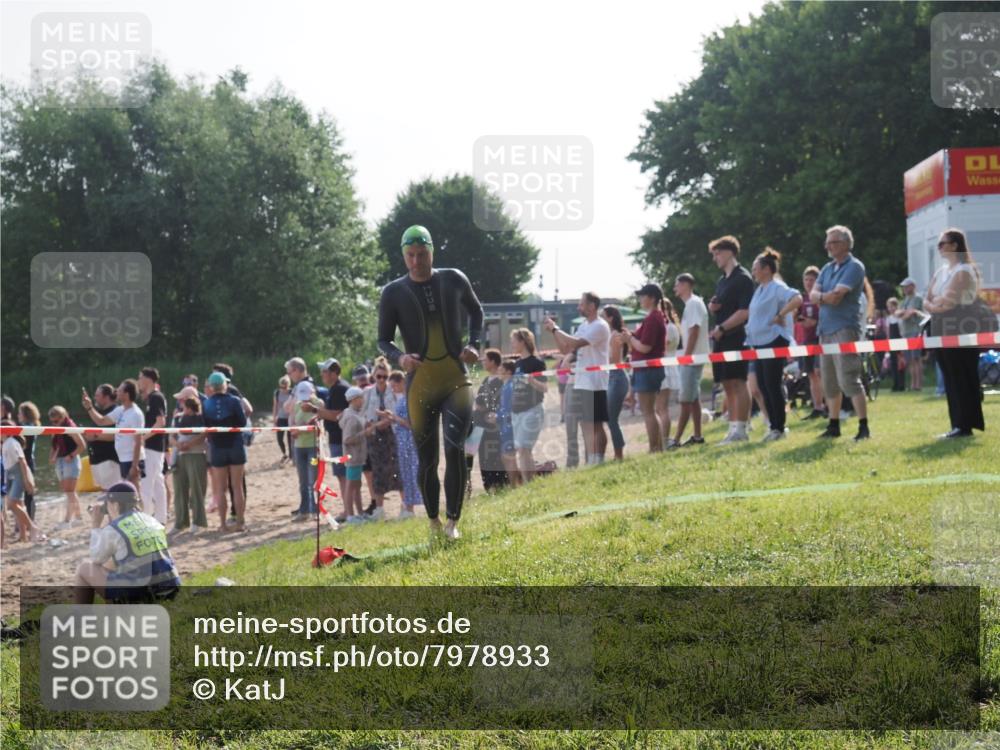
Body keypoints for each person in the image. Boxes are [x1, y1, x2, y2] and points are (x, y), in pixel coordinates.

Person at [377, 225, 484, 540]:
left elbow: (477, 312)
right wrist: (400, 359)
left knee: (455, 449)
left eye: (421, 254)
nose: (415, 261)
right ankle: (434, 521)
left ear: (431, 252)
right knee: (428, 459)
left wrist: (475, 345)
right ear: (403, 255)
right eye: (409, 255)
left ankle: (453, 522)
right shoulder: (393, 292)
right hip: (420, 384)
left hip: (455, 379)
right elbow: (384, 339)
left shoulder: (453, 278)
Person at [923, 228, 987, 438]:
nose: (939, 247)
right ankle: (957, 424)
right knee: (949, 374)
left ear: (955, 246)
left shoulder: (964, 270)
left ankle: (966, 425)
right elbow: (929, 298)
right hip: (941, 323)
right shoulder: (941, 272)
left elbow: (949, 301)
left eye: (943, 243)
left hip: (960, 323)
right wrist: (935, 305)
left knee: (961, 373)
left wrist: (936, 304)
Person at [74, 481, 180, 604]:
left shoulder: (115, 529)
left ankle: (79, 617)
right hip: (170, 589)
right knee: (112, 563)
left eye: (107, 504)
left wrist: (95, 525)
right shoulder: (152, 520)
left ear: (116, 505)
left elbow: (96, 558)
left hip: (144, 594)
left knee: (84, 568)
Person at [810, 225, 871, 441]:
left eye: (833, 242)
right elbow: (813, 294)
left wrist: (822, 297)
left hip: (845, 328)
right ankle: (833, 425)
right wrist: (825, 296)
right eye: (827, 242)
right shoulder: (827, 269)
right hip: (825, 329)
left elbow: (836, 298)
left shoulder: (854, 267)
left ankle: (863, 426)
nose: (828, 246)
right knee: (829, 380)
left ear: (845, 244)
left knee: (848, 378)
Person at [545, 292, 610, 465]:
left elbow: (575, 343)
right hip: (582, 379)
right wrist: (554, 332)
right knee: (588, 423)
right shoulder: (584, 325)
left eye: (581, 304)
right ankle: (593, 460)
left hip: (596, 381)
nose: (578, 307)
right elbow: (567, 348)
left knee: (596, 424)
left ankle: (598, 460)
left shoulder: (600, 325)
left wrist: (556, 329)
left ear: (592, 306)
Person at [746, 248, 803, 442]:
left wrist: (781, 315)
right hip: (759, 343)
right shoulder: (759, 290)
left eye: (756, 268)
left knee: (772, 384)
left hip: (774, 340)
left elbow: (797, 298)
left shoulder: (777, 286)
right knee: (763, 385)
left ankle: (779, 427)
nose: (753, 272)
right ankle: (773, 425)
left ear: (766, 270)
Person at [706, 236, 755, 445]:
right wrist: (714, 308)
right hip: (720, 339)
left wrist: (723, 327)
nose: (715, 258)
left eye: (717, 253)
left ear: (729, 252)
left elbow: (745, 311)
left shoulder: (743, 278)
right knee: (726, 383)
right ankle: (733, 427)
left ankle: (742, 429)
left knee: (738, 382)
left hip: (736, 338)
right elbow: (724, 306)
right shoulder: (722, 281)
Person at [300, 358, 350, 516]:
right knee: (343, 476)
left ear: (334, 373)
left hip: (340, 438)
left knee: (344, 476)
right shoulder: (337, 388)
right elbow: (333, 413)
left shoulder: (338, 389)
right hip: (338, 437)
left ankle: (348, 511)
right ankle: (348, 510)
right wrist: (319, 416)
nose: (322, 375)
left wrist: (313, 409)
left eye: (325, 372)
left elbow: (336, 416)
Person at [622, 283, 668, 452]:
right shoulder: (655, 317)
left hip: (647, 370)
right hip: (648, 369)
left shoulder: (652, 318)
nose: (640, 299)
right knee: (650, 410)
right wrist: (632, 337)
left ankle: (654, 448)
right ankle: (656, 447)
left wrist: (629, 339)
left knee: (648, 411)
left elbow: (645, 347)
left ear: (652, 298)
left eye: (643, 296)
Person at [202, 371, 249, 532]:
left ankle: (222, 525)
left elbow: (206, 427)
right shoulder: (234, 401)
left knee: (220, 489)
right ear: (224, 385)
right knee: (236, 487)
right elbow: (242, 422)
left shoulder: (206, 404)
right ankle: (240, 523)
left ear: (211, 387)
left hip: (217, 447)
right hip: (235, 445)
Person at [83, 380, 146, 486]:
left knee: (134, 492)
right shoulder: (121, 410)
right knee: (127, 493)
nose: (116, 392)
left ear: (126, 394)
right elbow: (101, 421)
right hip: (123, 458)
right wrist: (89, 407)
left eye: (120, 390)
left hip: (132, 459)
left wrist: (135, 466)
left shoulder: (135, 414)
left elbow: (138, 442)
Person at [671, 273, 709, 447]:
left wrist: (686, 356)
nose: (674, 288)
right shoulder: (692, 304)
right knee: (693, 399)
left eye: (677, 285)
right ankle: (697, 436)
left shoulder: (693, 303)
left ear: (685, 285)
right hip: (694, 357)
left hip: (692, 359)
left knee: (685, 399)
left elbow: (694, 331)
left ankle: (676, 439)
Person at [362, 357, 401, 521]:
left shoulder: (394, 392)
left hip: (391, 434)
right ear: (374, 376)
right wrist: (370, 423)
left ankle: (405, 507)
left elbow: (396, 414)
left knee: (397, 470)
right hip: (374, 435)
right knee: (377, 471)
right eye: (379, 376)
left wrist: (384, 422)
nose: (382, 380)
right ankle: (379, 509)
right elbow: (363, 412)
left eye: (385, 376)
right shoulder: (368, 392)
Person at [381, 370, 424, 517]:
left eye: (394, 386)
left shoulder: (411, 399)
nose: (393, 389)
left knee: (411, 472)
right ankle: (407, 504)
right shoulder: (403, 398)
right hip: (402, 439)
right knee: (405, 472)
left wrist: (393, 417)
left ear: (402, 383)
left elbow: (411, 424)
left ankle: (410, 507)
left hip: (409, 440)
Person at [508, 328, 548, 481]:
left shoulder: (536, 363)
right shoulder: (517, 363)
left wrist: (532, 381)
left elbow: (544, 388)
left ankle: (528, 484)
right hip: (516, 412)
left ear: (522, 342)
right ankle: (530, 483)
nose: (511, 344)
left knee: (524, 448)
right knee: (522, 449)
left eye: (513, 341)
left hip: (532, 410)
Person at [169, 391, 208, 535]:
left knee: (197, 489)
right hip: (179, 456)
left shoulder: (201, 418)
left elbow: (204, 434)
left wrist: (190, 444)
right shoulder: (178, 418)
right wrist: (177, 444)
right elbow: (171, 436)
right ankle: (180, 522)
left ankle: (198, 521)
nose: (181, 405)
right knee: (179, 490)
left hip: (196, 455)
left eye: (183, 403)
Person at [1, 421, 46, 543]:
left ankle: (33, 528)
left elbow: (22, 461)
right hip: (10, 474)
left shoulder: (12, 443)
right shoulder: (5, 443)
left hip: (17, 474)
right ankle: (23, 536)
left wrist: (26, 479)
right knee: (19, 505)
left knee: (12, 504)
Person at [136, 367, 169, 523]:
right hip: (154, 446)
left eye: (140, 377)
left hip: (152, 446)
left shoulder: (156, 397)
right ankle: (160, 518)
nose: (138, 381)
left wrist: (143, 437)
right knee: (157, 483)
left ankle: (148, 519)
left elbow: (160, 422)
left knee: (147, 484)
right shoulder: (152, 398)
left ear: (148, 379)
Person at [472, 349, 507, 491]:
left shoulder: (500, 380)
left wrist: (486, 410)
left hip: (492, 424)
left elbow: (498, 402)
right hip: (480, 423)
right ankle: (489, 486)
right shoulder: (486, 380)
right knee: (482, 455)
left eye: (485, 360)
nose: (483, 363)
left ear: (493, 362)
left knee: (493, 454)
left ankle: (499, 484)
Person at [289, 379, 323, 522]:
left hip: (313, 446)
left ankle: (316, 510)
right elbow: (293, 422)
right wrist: (294, 431)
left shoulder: (319, 404)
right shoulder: (297, 405)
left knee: (313, 480)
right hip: (299, 446)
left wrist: (314, 422)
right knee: (303, 480)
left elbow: (321, 421)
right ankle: (304, 511)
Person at [47, 405, 86, 528]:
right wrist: (52, 456)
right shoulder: (55, 428)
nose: (54, 423)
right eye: (52, 421)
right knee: (69, 491)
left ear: (63, 417)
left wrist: (71, 455)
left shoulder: (70, 428)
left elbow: (82, 445)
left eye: (57, 421)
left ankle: (67, 520)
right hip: (60, 460)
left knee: (69, 491)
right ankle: (79, 517)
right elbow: (55, 446)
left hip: (71, 460)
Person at [795, 267, 826, 418]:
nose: (808, 283)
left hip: (821, 339)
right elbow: (796, 317)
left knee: (822, 372)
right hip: (807, 340)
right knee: (812, 374)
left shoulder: (820, 297)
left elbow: (826, 316)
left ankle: (829, 405)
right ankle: (817, 407)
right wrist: (799, 319)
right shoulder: (801, 299)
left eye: (811, 280)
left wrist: (814, 322)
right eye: (806, 280)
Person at [602, 305, 631, 460]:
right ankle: (618, 451)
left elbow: (614, 359)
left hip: (616, 377)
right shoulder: (612, 334)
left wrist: (597, 361)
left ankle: (619, 454)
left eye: (603, 316)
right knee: (610, 418)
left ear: (610, 318)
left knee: (611, 418)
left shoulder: (615, 335)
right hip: (612, 377)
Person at [80, 385, 120, 491]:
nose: (95, 398)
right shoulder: (99, 413)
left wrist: (95, 436)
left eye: (97, 395)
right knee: (104, 490)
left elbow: (115, 435)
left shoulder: (114, 411)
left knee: (112, 491)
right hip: (96, 459)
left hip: (109, 458)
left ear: (106, 397)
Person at [339, 386, 369, 523]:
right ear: (355, 399)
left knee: (357, 485)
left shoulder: (353, 413)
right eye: (361, 398)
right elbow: (347, 439)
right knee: (351, 486)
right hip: (353, 457)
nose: (363, 400)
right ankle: (351, 515)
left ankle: (360, 513)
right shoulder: (351, 416)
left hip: (358, 457)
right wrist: (364, 433)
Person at [657, 298, 682, 449]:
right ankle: (662, 439)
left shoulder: (669, 328)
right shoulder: (670, 327)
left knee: (662, 408)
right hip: (667, 366)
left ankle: (664, 440)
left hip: (666, 367)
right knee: (659, 408)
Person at [898, 277, 925, 392]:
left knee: (916, 358)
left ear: (912, 286)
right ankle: (912, 384)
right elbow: (897, 312)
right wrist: (904, 313)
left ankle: (918, 385)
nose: (903, 288)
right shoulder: (905, 300)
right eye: (903, 287)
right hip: (905, 332)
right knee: (909, 360)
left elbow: (910, 313)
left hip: (915, 331)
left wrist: (904, 314)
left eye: (906, 286)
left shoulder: (917, 298)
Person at [497, 360, 520, 486]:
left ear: (509, 372)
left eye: (502, 370)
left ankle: (514, 485)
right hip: (504, 426)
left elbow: (508, 409)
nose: (499, 372)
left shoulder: (509, 387)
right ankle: (514, 484)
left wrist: (497, 416)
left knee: (509, 456)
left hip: (509, 426)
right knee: (505, 456)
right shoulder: (506, 386)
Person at [17, 401, 41, 521]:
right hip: (25, 461)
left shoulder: (30, 426)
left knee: (28, 493)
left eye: (20, 413)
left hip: (28, 462)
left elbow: (23, 445)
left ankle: (30, 520)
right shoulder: (27, 425)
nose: (18, 415)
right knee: (24, 494)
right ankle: (26, 520)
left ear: (25, 414)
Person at [884, 298, 905, 392]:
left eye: (892, 306)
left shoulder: (899, 318)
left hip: (899, 341)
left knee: (900, 363)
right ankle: (895, 384)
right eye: (889, 307)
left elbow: (902, 330)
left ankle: (901, 384)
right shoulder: (888, 319)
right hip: (892, 343)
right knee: (893, 364)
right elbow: (888, 332)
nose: (891, 308)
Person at [273, 375, 294, 464]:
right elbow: (275, 406)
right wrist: (274, 417)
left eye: (285, 386)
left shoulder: (292, 392)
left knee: (290, 438)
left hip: (289, 418)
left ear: (288, 385)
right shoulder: (277, 393)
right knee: (279, 438)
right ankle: (284, 453)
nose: (283, 388)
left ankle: (291, 456)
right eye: (281, 386)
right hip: (280, 418)